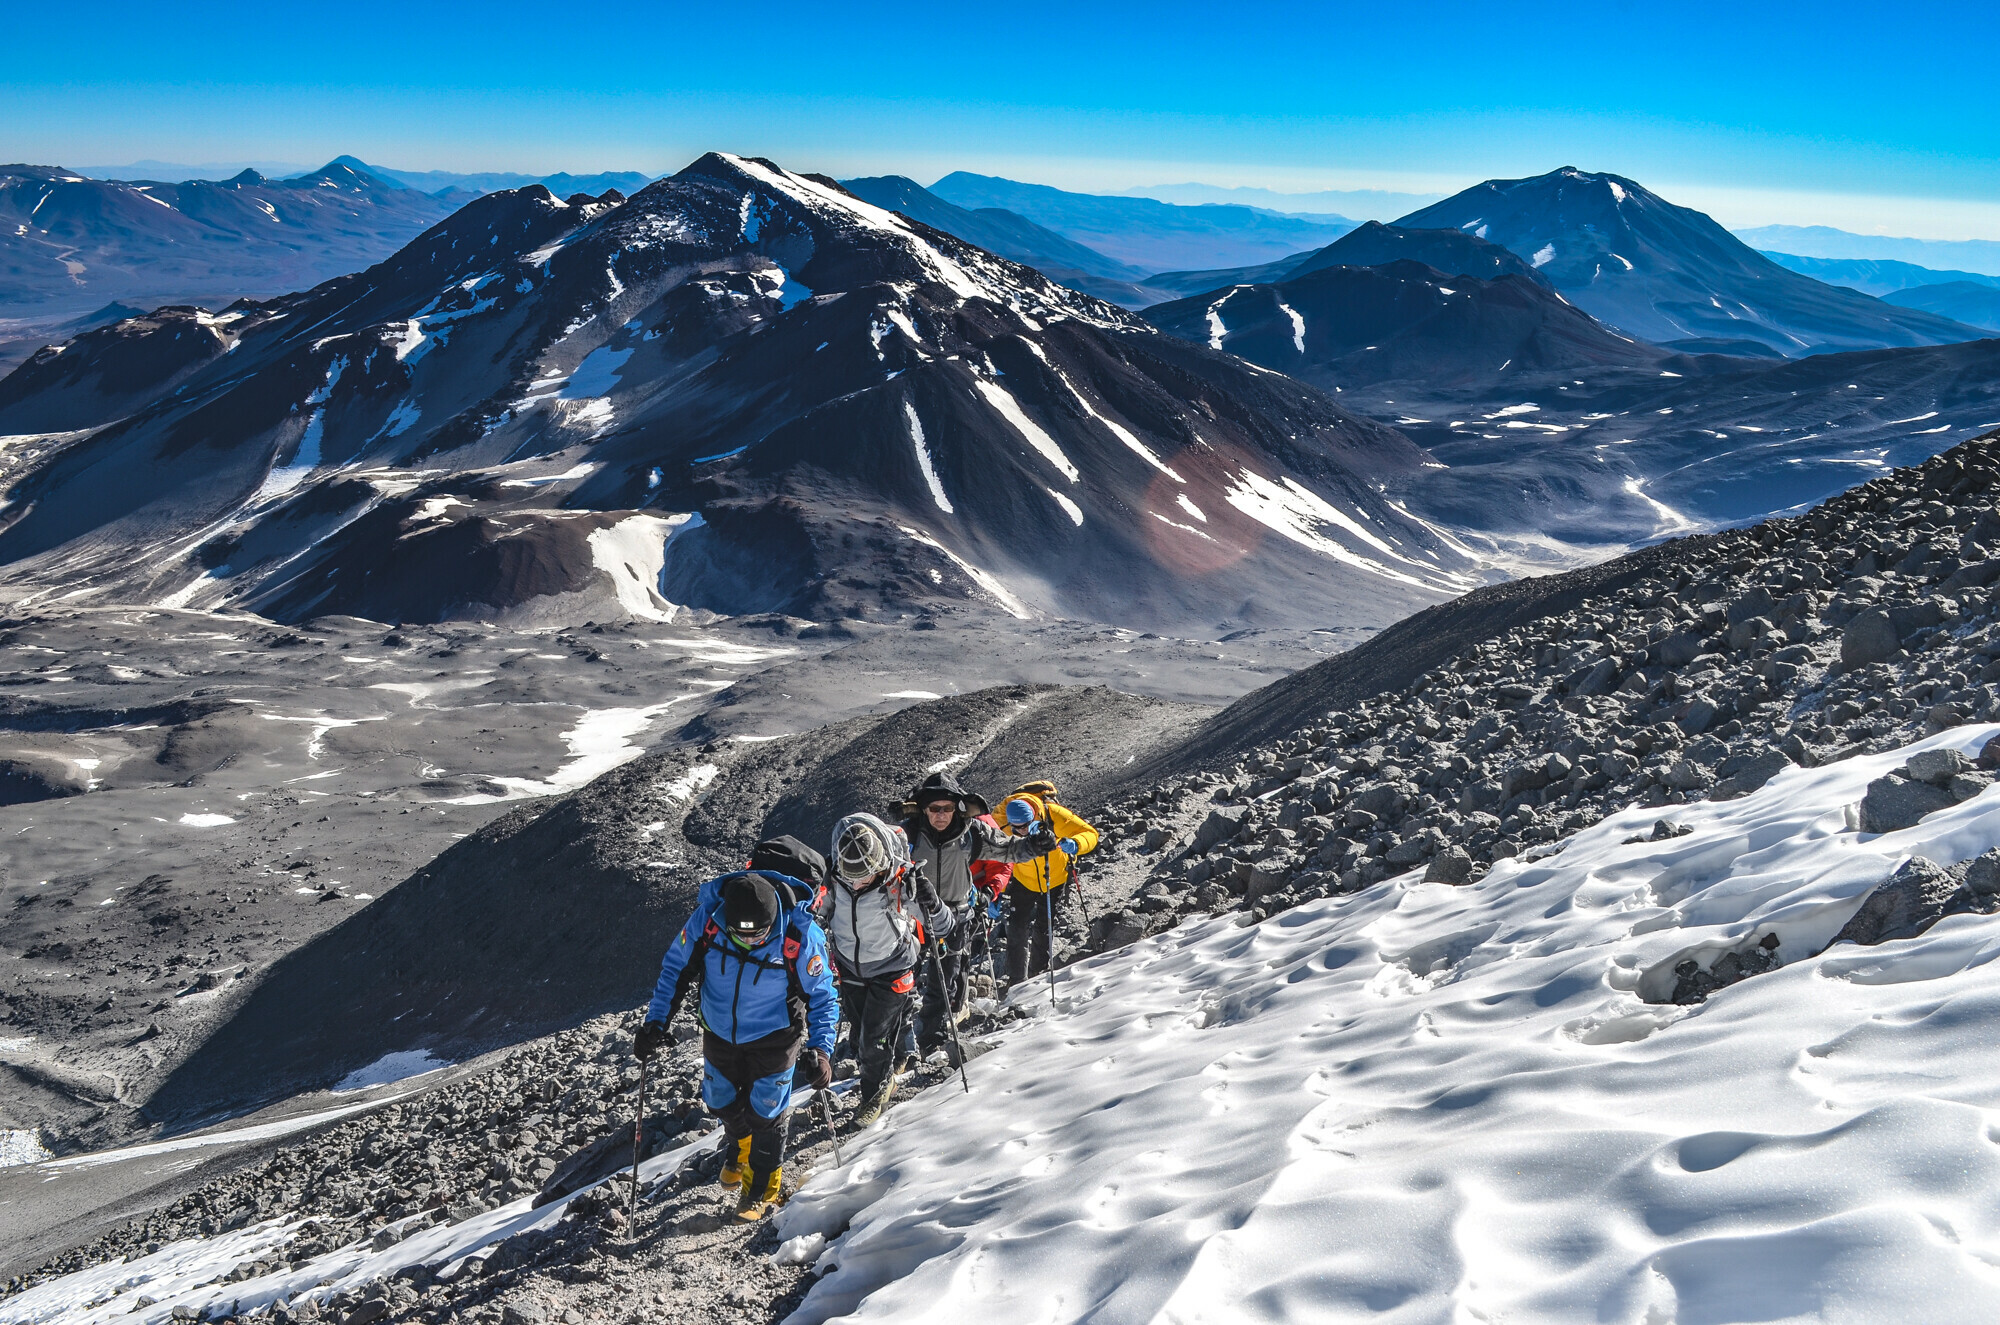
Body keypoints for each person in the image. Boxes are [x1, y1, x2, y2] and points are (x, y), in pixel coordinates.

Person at [633, 869, 838, 1221]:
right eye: (740, 934)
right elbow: (676, 968)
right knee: (720, 1100)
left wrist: (821, 1049)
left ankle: (760, 1190)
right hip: (718, 1031)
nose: (750, 941)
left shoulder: (800, 935)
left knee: (767, 1112)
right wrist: (656, 1023)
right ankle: (740, 1144)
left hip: (776, 1036)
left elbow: (823, 996)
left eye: (759, 934)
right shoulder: (709, 920)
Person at [899, 772, 1053, 1050]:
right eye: (934, 808)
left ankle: (930, 1036)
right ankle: (898, 1040)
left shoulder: (972, 831)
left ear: (957, 806)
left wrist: (1034, 846)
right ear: (924, 808)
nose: (941, 815)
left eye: (947, 808)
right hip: (914, 917)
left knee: (945, 977)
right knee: (904, 977)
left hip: (956, 916)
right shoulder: (907, 834)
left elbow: (1007, 851)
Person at [825, 812, 951, 1126]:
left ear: (880, 863)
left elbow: (943, 925)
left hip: (892, 968)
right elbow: (821, 913)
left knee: (872, 1039)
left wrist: (930, 900)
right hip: (851, 969)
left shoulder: (900, 879)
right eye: (851, 875)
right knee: (860, 1037)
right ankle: (892, 1063)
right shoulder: (833, 876)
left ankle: (874, 1093)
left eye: (864, 876)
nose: (857, 882)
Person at [998, 785, 1099, 985]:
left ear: (1035, 815)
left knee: (1045, 926)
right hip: (1023, 880)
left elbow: (1090, 833)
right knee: (1017, 928)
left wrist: (1077, 844)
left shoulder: (1052, 814)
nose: (1023, 831)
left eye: (1026, 825)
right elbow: (994, 858)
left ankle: (1038, 974)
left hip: (1055, 878)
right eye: (1016, 828)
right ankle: (1017, 980)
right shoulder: (998, 822)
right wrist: (996, 891)